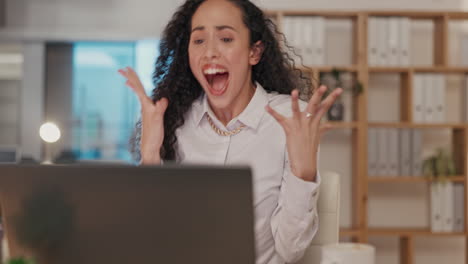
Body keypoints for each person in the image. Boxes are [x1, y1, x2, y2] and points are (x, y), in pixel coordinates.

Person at [118, 0, 342, 263]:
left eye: (225, 38)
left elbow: (290, 251)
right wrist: (150, 155)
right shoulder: (173, 120)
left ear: (254, 52)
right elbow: (154, 238)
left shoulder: (290, 119)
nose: (210, 52)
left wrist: (303, 173)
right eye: (199, 40)